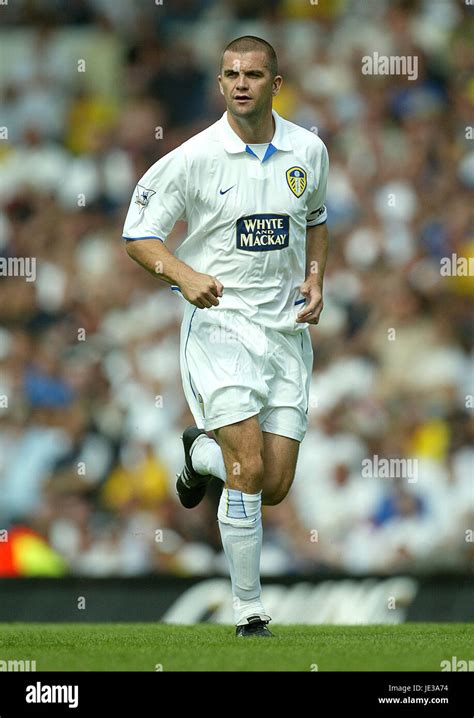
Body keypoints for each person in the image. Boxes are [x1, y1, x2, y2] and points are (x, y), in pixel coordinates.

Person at [123, 36, 329, 637]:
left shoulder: (308, 150)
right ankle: (249, 610)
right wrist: (183, 276)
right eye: (231, 74)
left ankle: (196, 454)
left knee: (274, 483)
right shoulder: (193, 157)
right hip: (219, 328)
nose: (241, 83)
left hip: (286, 331)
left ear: (275, 83)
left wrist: (316, 278)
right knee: (246, 461)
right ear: (221, 84)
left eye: (254, 74)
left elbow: (316, 220)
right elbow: (139, 234)